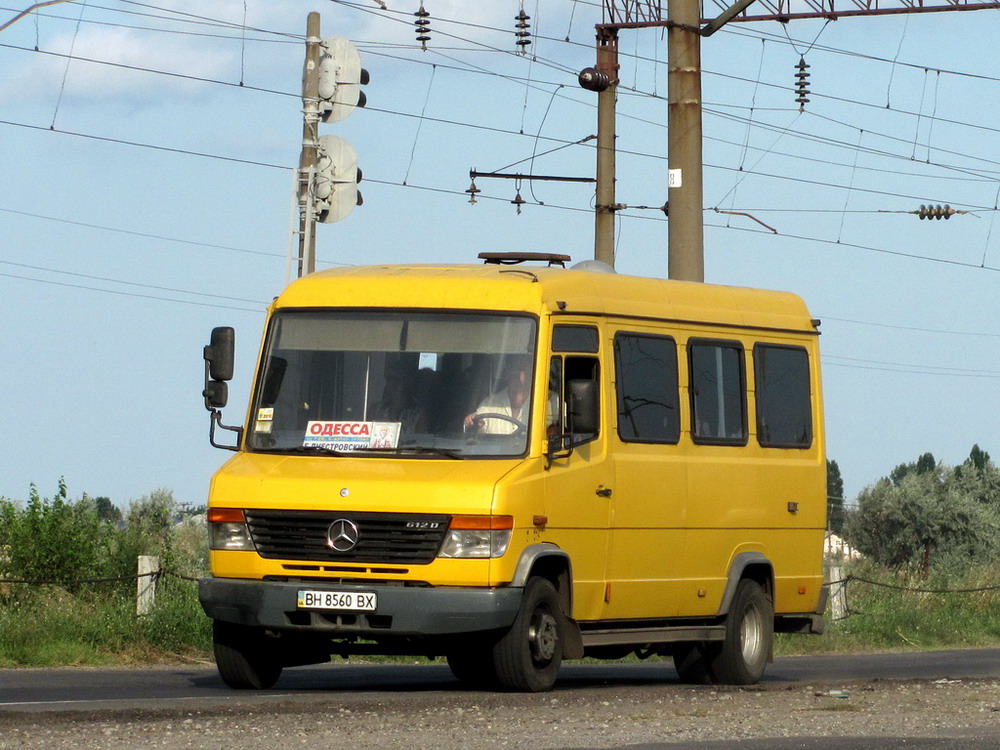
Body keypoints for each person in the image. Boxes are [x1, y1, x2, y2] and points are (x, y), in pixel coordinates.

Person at [464, 361, 531, 435]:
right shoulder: (490, 403)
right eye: (514, 371)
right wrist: (473, 420)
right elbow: (478, 421)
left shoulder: (541, 406)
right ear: (507, 375)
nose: (517, 376)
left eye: (522, 370)